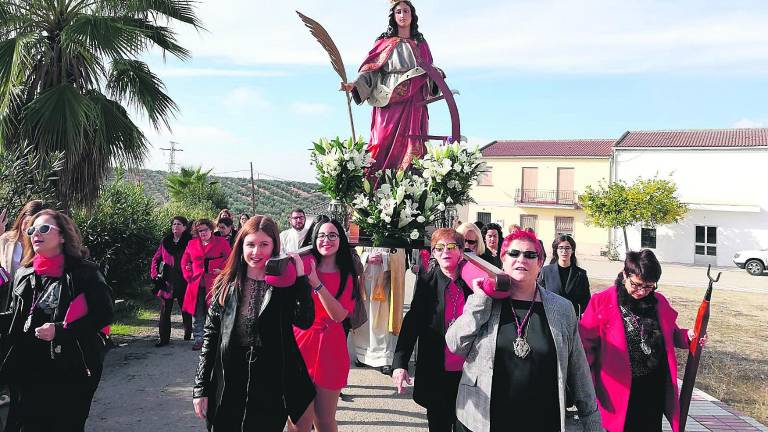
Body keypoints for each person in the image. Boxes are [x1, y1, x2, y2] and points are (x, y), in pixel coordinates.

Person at [446, 230, 602, 432]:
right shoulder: (485, 300)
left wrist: (593, 424)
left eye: (530, 255)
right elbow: (455, 345)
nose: (522, 259)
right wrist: (481, 299)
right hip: (486, 421)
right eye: (514, 253)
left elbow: (578, 371)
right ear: (502, 259)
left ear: (540, 263)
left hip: (543, 419)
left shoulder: (562, 309)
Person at [192, 215, 315, 432]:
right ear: (241, 245)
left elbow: (305, 321)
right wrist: (201, 388)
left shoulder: (284, 284)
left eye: (264, 244)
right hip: (231, 372)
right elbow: (211, 337)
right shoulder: (226, 283)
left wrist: (301, 279)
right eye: (250, 244)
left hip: (270, 376)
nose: (256, 252)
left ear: (275, 246)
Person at [0, 209, 113, 431]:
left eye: (44, 228)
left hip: (71, 368)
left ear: (62, 236)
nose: (35, 234)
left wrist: (61, 330)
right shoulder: (24, 273)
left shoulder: (85, 272)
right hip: (28, 366)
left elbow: (104, 315)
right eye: (32, 229)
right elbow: (14, 317)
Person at [579, 250, 705, 432]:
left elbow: (672, 333)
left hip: (652, 386)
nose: (642, 291)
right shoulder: (602, 301)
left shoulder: (658, 302)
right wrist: (586, 385)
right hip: (616, 389)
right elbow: (585, 347)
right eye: (637, 285)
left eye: (649, 286)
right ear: (625, 275)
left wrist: (690, 336)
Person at [341, 0, 441, 173]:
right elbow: (371, 71)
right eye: (399, 12)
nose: (402, 15)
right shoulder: (384, 42)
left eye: (406, 11)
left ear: (412, 14)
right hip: (387, 97)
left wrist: (437, 75)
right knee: (381, 140)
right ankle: (375, 185)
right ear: (393, 16)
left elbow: (428, 70)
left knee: (413, 142)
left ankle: (409, 189)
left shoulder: (420, 43)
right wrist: (355, 86)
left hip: (414, 100)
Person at [391, 228, 473, 432]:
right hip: (437, 370)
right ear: (434, 253)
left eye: (452, 246)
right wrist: (400, 364)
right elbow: (412, 324)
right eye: (440, 247)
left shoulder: (472, 283)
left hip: (469, 372)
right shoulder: (427, 282)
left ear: (461, 251)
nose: (446, 251)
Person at [292, 220, 358, 432]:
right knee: (297, 421)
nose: (326, 240)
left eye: (332, 235)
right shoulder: (300, 269)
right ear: (313, 239)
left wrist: (316, 284)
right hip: (300, 345)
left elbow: (338, 315)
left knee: (324, 420)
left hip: (331, 348)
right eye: (321, 235)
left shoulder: (347, 275)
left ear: (341, 240)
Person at [182, 219, 232, 350]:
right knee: (197, 313)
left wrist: (222, 271)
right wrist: (188, 275)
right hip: (196, 284)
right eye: (199, 231)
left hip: (214, 283)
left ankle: (214, 339)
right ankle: (199, 339)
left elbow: (230, 259)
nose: (202, 233)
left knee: (214, 312)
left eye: (205, 229)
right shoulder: (191, 244)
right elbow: (185, 261)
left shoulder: (221, 242)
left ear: (211, 229)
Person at [351, 247, 398, 375]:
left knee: (383, 318)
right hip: (364, 278)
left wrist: (384, 258)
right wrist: (365, 258)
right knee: (364, 317)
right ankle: (363, 355)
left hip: (385, 277)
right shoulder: (357, 226)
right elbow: (354, 248)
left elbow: (399, 253)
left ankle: (384, 359)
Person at [150, 216, 193, 347]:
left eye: (179, 224)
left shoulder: (190, 241)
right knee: (164, 310)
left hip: (184, 280)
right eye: (174, 224)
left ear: (185, 227)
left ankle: (188, 331)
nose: (175, 226)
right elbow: (156, 259)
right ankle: (163, 338)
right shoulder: (165, 241)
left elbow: (196, 258)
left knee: (185, 308)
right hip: (167, 280)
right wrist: (154, 275)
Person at [0, 201, 46, 312]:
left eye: (35, 225)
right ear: (22, 218)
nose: (30, 228)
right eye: (28, 222)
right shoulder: (5, 239)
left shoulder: (42, 243)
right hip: (5, 300)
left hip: (30, 303)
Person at [538, 235, 591, 317]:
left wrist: (574, 313)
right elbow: (539, 296)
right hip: (550, 318)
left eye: (567, 248)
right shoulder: (546, 271)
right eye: (561, 248)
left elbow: (586, 300)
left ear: (572, 250)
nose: (564, 251)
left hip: (572, 318)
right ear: (556, 250)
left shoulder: (581, 274)